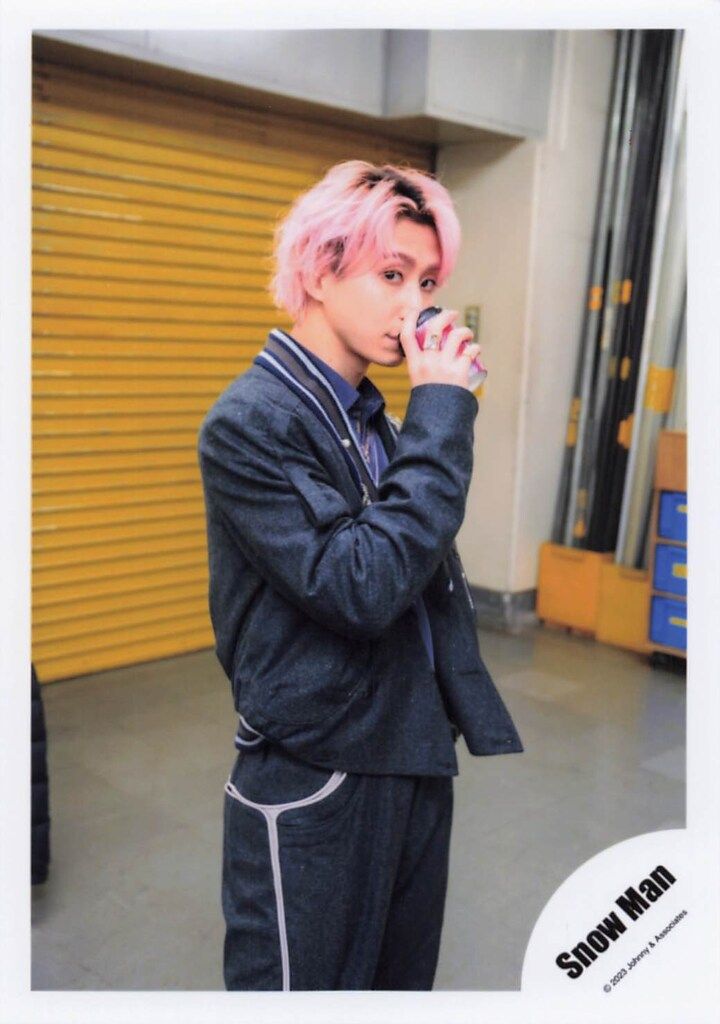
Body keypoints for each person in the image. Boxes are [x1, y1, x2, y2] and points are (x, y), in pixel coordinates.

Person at [197, 160, 523, 992]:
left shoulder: (371, 417)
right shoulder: (251, 422)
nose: (416, 306)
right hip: (320, 771)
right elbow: (362, 586)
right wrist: (442, 412)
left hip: (408, 750)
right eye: (391, 275)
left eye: (427, 281)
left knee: (398, 987)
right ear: (318, 270)